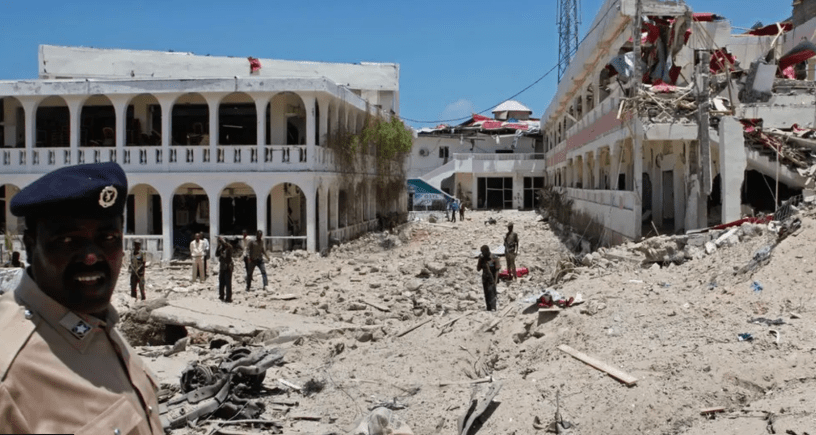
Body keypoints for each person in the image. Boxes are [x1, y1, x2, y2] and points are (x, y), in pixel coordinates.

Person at [0, 162, 162, 433]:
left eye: (108, 237)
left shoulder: (99, 326)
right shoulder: (10, 372)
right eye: (67, 241)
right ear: (30, 246)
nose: (91, 256)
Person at [476, 245, 500, 311]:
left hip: (492, 278)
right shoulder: (482, 258)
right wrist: (480, 260)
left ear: (487, 251)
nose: (482, 253)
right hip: (485, 278)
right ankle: (488, 308)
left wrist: (495, 281)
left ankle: (493, 308)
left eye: (483, 252)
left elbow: (497, 270)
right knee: (486, 293)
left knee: (492, 293)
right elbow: (478, 269)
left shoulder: (494, 258)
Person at [215, 236, 233, 302]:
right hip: (222, 267)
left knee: (228, 283)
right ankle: (221, 295)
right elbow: (216, 254)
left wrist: (224, 242)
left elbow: (229, 249)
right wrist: (219, 246)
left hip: (228, 267)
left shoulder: (229, 247)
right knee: (221, 282)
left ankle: (228, 297)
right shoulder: (221, 247)